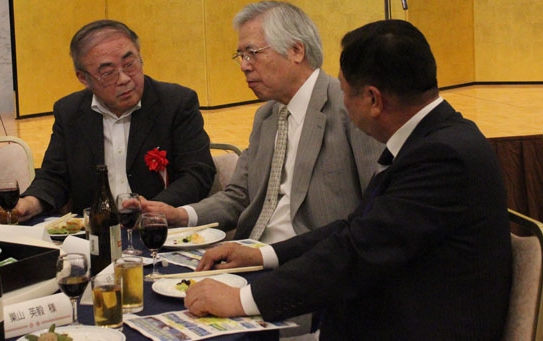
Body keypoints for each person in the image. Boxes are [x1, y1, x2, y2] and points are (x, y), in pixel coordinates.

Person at [184, 19, 513, 340]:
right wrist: (263, 255)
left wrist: (243, 300)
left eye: (343, 91)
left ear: (373, 100)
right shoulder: (435, 137)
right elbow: (356, 227)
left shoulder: (442, 157)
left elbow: (357, 253)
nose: (341, 101)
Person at [143, 1, 382, 337]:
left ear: (296, 50)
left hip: (313, 270)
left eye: (252, 53)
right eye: (240, 55)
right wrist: (181, 215)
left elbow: (375, 211)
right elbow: (240, 194)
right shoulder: (267, 115)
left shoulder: (348, 108)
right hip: (248, 259)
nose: (244, 66)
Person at [0, 20, 216, 223]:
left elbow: (197, 173)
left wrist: (154, 209)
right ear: (83, 78)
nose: (125, 79)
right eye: (108, 73)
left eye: (130, 64)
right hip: (93, 234)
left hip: (160, 231)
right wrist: (29, 203)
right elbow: (55, 177)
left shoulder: (176, 103)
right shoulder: (70, 112)